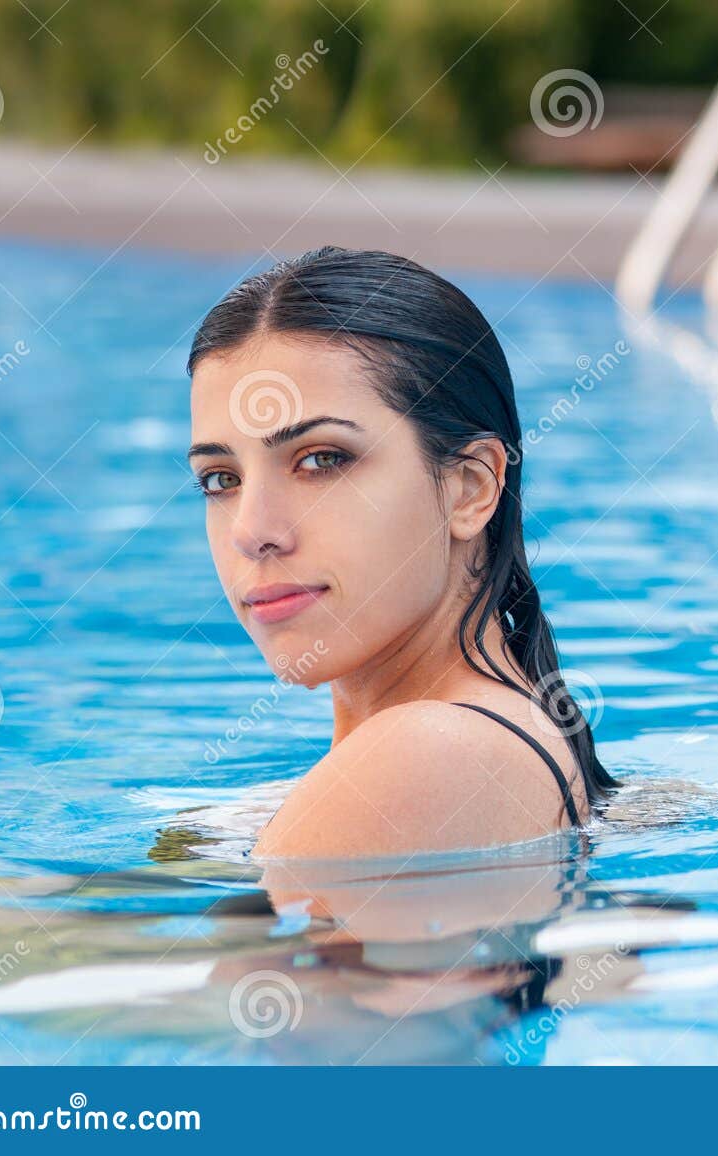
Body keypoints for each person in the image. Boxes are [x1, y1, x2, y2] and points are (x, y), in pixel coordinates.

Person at [186, 246, 617, 858]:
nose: (251, 531)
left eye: (321, 460)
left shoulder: (429, 754)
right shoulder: (471, 748)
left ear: (470, 488)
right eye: (221, 480)